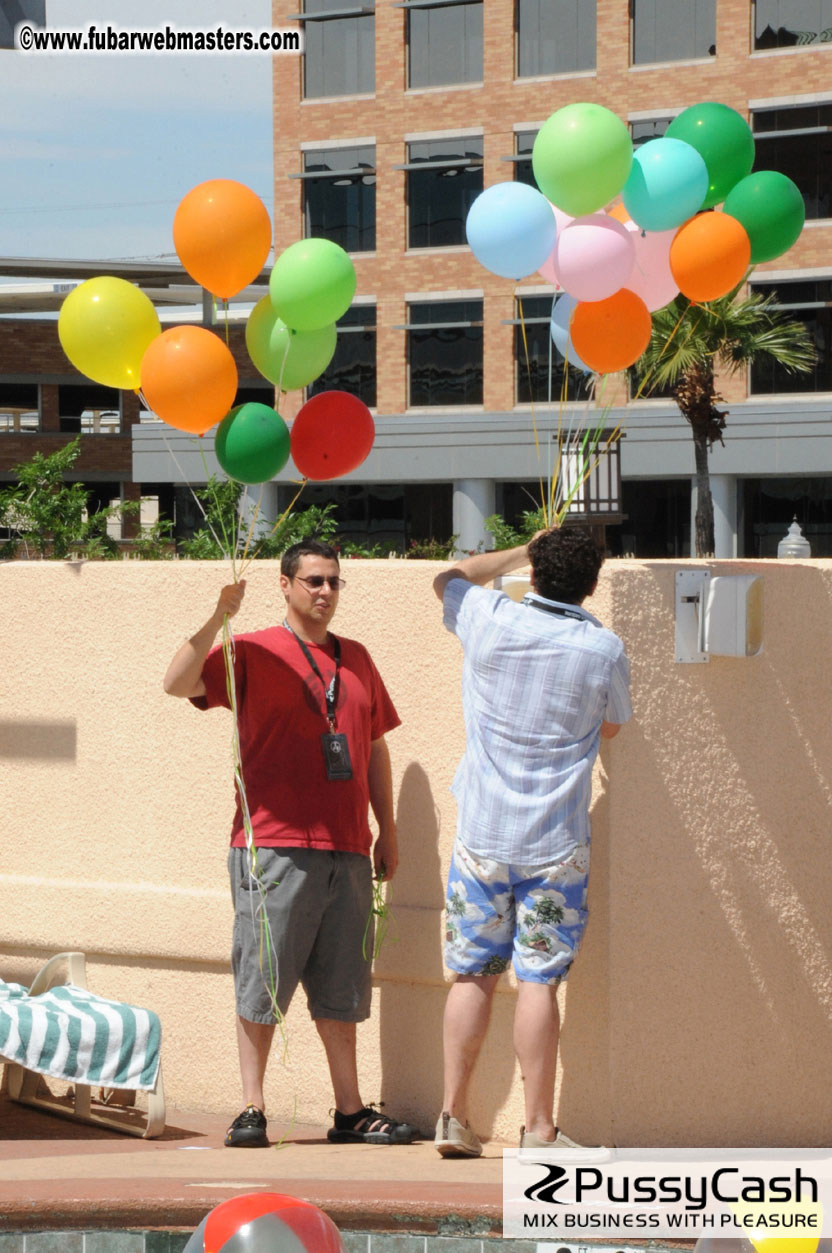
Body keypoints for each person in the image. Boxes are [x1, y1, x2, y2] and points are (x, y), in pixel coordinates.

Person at [163, 539, 418, 1148]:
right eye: (313, 581)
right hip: (272, 846)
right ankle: (252, 1107)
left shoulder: (356, 657)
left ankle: (351, 1111)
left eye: (333, 581)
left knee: (342, 985)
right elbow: (176, 683)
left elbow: (375, 746)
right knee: (263, 977)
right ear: (285, 585)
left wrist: (387, 828)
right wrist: (217, 619)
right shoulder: (252, 650)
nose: (325, 592)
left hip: (348, 848)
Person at [431, 526, 631, 1158]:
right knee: (537, 981)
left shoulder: (488, 617)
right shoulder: (602, 649)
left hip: (481, 835)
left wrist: (523, 549)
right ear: (592, 584)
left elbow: (448, 577)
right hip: (556, 842)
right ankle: (539, 1130)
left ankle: (452, 1117)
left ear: (537, 573)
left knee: (471, 974)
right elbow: (613, 728)